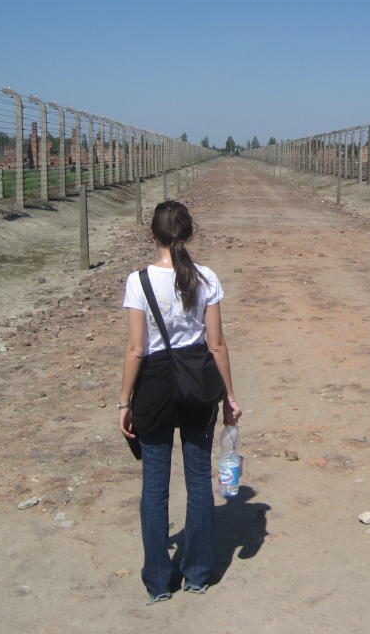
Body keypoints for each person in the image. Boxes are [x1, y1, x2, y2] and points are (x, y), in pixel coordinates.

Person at [117, 200, 241, 605]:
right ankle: (199, 573)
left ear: (152, 234)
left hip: (153, 386)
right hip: (197, 385)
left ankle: (157, 580)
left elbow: (136, 350)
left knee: (154, 487)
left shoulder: (139, 280)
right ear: (188, 234)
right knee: (199, 481)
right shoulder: (206, 277)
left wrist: (124, 402)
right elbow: (216, 343)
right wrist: (229, 396)